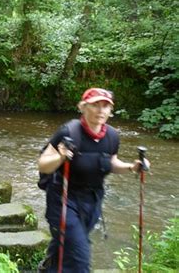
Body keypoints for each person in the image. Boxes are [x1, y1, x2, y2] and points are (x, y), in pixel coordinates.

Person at [38, 87, 151, 272]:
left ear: (110, 111)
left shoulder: (112, 136)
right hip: (63, 200)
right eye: (95, 105)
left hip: (93, 201)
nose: (101, 110)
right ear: (83, 107)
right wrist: (60, 157)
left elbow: (111, 162)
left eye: (105, 106)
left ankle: (48, 266)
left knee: (68, 242)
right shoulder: (69, 132)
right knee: (80, 257)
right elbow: (43, 164)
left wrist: (132, 167)